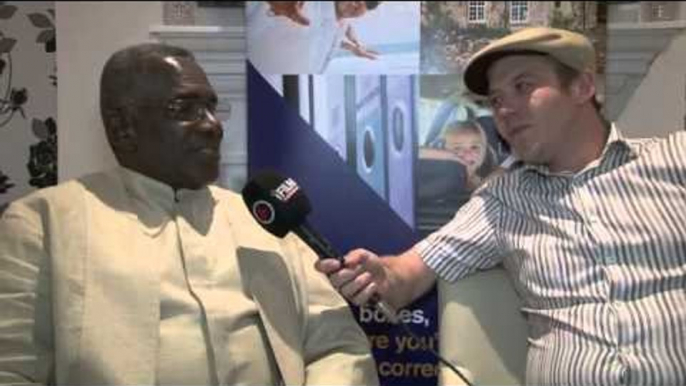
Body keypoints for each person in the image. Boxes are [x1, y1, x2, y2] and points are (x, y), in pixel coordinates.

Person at [316, 27, 686, 385]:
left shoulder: (674, 160)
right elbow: (408, 275)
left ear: (582, 86)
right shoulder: (502, 201)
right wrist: (383, 277)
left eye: (523, 86)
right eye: (495, 100)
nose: (505, 108)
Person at [0, 43, 379, 386]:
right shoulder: (45, 221)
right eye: (184, 109)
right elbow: (12, 369)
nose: (212, 125)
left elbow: (339, 347)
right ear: (122, 128)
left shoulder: (264, 218)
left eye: (212, 107)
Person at [247, 1, 381, 74]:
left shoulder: (340, 23)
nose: (359, 3)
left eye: (369, 3)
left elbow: (321, 37)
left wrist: (352, 47)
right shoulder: (302, 5)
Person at [419, 120, 497, 191]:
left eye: (474, 147)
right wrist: (450, 156)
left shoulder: (488, 184)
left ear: (483, 152)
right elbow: (413, 152)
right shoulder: (437, 180)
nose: (467, 153)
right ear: (443, 150)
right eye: (457, 148)